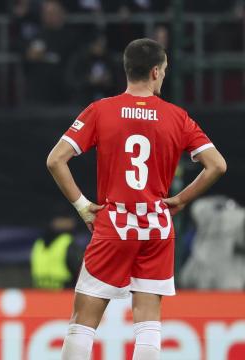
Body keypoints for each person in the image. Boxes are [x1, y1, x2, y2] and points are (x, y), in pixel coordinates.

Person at [46, 38, 226, 360]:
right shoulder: (177, 116)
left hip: (114, 223)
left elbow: (55, 160)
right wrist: (182, 199)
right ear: (156, 72)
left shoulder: (101, 110)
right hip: (157, 225)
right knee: (148, 323)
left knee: (83, 323)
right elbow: (217, 165)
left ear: (127, 69)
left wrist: (83, 207)